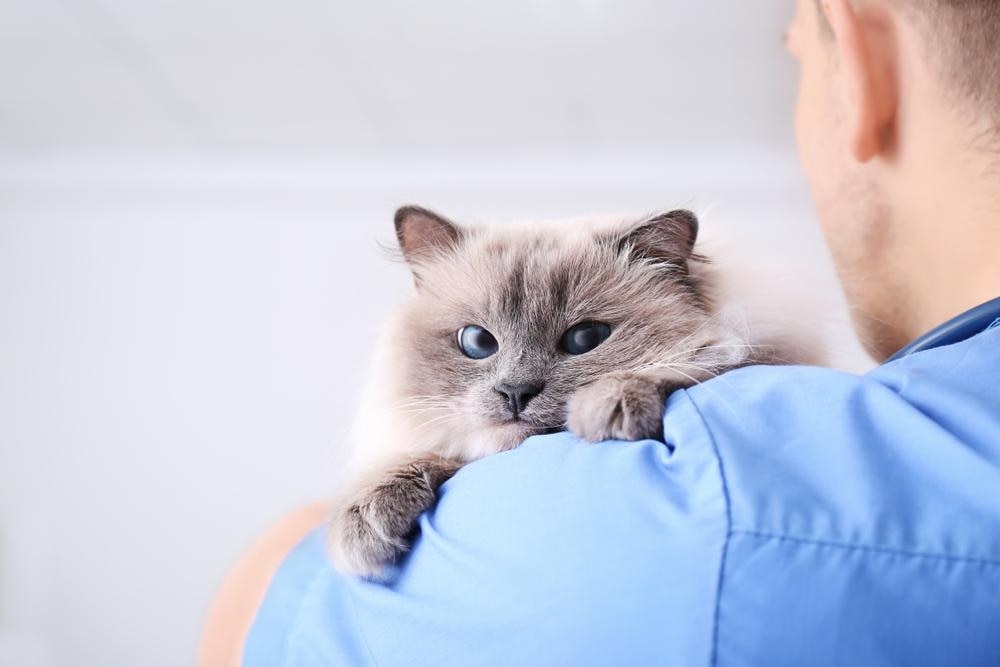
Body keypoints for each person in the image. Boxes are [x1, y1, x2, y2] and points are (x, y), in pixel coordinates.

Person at [199, 0, 1000, 664]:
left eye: (580, 339)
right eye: (476, 342)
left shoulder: (702, 491)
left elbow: (259, 606)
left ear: (859, 56)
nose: (514, 382)